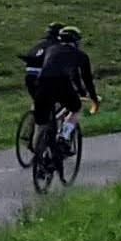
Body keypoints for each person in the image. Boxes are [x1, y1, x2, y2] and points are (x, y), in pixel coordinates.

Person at [31, 25, 98, 156]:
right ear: (76, 41)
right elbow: (86, 78)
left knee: (42, 122)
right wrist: (93, 97)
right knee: (76, 108)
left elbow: (70, 73)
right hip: (61, 83)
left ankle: (38, 159)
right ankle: (64, 136)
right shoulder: (81, 55)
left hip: (41, 83)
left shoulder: (51, 49)